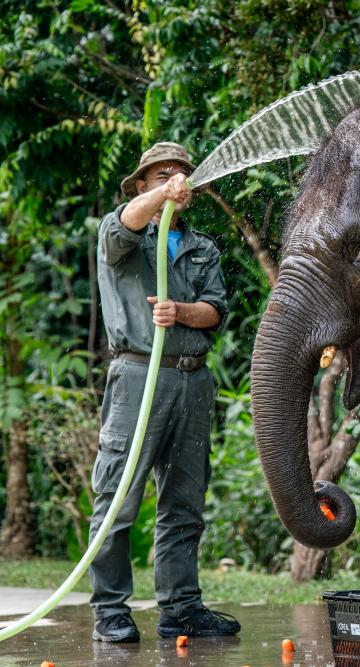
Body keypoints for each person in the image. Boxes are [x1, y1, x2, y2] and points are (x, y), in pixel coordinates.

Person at [90, 142, 239, 643]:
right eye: (160, 175)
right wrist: (159, 198)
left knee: (184, 501)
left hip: (193, 379)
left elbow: (215, 311)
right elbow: (127, 224)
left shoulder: (204, 247)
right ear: (141, 185)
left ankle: (181, 608)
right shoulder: (122, 233)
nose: (174, 180)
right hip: (137, 377)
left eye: (180, 174)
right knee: (118, 496)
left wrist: (180, 312)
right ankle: (111, 610)